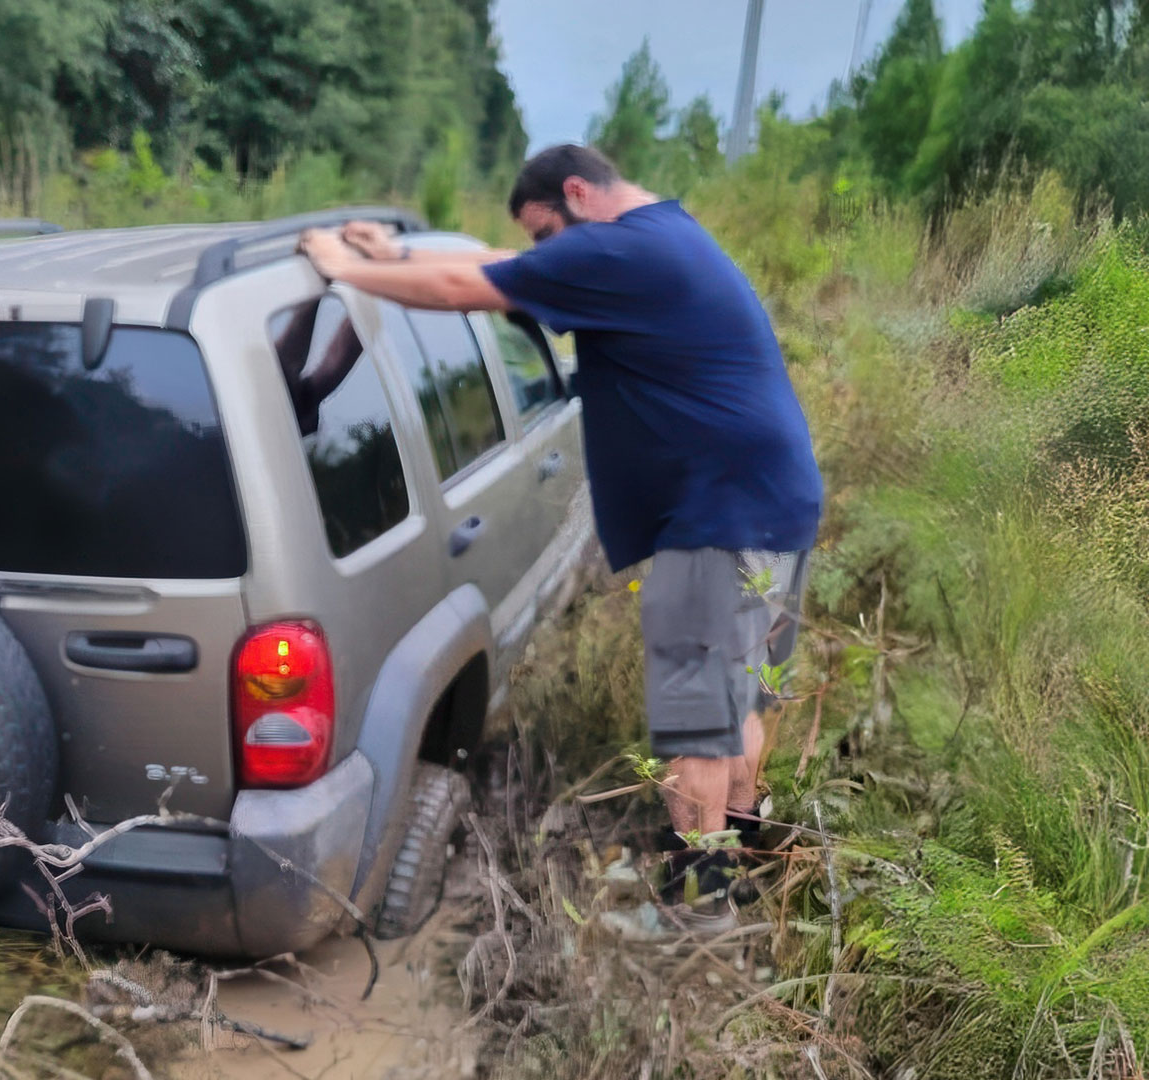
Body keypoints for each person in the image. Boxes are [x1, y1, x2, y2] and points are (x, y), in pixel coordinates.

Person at [299, 144, 822, 931]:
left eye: (549, 233)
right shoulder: (657, 235)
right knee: (739, 704)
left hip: (717, 525)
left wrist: (345, 268)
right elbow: (505, 264)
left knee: (695, 738)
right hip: (776, 507)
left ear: (579, 193)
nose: (548, 256)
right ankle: (735, 869)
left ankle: (697, 914)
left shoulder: (620, 251)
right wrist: (395, 253)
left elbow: (464, 284)